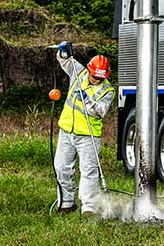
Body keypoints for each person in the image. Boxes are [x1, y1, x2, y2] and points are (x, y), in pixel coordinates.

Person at [53, 44, 115, 216]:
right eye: (94, 76)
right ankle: (66, 203)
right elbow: (64, 61)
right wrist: (63, 52)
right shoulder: (79, 73)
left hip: (88, 135)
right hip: (67, 130)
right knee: (61, 167)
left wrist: (87, 100)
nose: (96, 80)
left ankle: (89, 208)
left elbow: (100, 111)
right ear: (89, 69)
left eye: (100, 78)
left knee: (88, 171)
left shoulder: (107, 90)